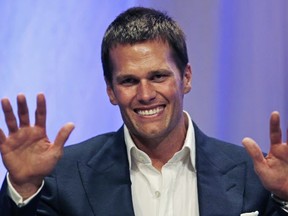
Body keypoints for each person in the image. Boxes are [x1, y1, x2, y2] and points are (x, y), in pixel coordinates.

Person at [0, 6, 287, 216]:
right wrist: (23, 188)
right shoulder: (63, 177)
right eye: (128, 81)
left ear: (186, 78)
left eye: (158, 76)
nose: (146, 94)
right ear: (111, 91)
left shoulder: (254, 175)